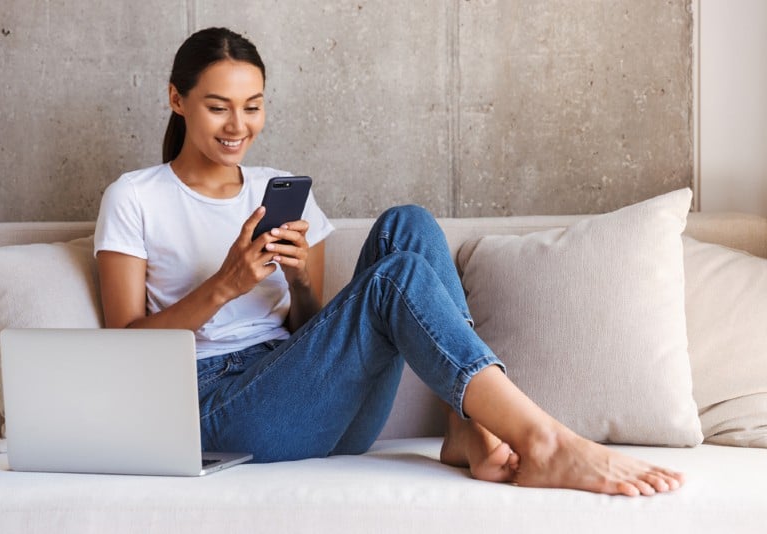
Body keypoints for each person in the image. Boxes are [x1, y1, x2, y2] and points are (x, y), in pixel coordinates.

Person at [95, 27, 685, 497]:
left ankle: (465, 429)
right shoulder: (135, 197)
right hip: (221, 412)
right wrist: (225, 285)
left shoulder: (277, 188)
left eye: (252, 107)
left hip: (310, 398)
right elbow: (122, 349)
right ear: (177, 99)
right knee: (392, 281)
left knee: (410, 224)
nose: (238, 127)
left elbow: (309, 331)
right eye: (218, 107)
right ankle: (545, 440)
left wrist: (299, 281)